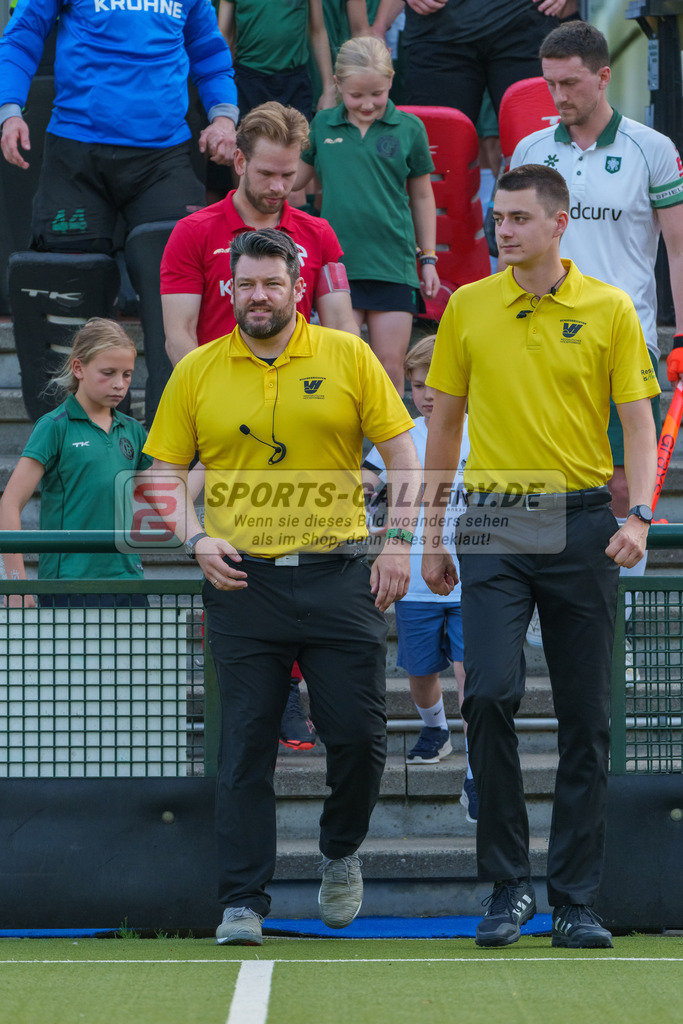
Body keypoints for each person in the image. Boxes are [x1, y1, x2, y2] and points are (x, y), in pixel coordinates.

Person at [144, 228, 420, 946]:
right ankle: (242, 900)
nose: (257, 296)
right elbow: (160, 476)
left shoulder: (348, 354)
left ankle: (338, 853)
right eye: (245, 284)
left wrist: (396, 542)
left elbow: (404, 457)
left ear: (297, 288)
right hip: (242, 583)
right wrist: (195, 537)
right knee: (243, 747)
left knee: (359, 738)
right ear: (226, 290)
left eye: (271, 283)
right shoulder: (198, 369)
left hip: (338, 575)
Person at [422, 164, 659, 949]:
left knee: (587, 717)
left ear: (559, 225)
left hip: (584, 519)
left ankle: (575, 900)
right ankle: (505, 888)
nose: (503, 229)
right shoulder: (466, 305)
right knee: (487, 695)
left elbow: (636, 425)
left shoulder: (609, 307)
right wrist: (427, 533)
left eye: (519, 217)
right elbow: (444, 430)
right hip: (491, 517)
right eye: (498, 216)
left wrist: (639, 516)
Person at [0, 0, 239, 425]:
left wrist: (223, 116)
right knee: (70, 286)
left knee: (178, 281)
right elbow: (22, 35)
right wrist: (10, 111)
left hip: (162, 156)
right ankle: (83, 437)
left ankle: (174, 431)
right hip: (76, 154)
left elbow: (207, 47)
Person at [510, 21, 683, 599]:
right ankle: (546, 602)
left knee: (621, 486)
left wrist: (682, 337)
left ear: (604, 76)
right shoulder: (530, 150)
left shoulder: (652, 149)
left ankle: (621, 620)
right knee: (539, 478)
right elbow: (510, 241)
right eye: (550, 83)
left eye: (571, 83)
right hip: (537, 337)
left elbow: (678, 248)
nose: (559, 97)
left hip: (622, 338)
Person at [362, 335, 478, 821]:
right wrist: (366, 499)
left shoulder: (483, 432)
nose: (427, 395)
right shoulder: (402, 434)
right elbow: (368, 481)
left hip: (472, 576)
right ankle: (436, 728)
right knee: (420, 673)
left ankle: (477, 768)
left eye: (436, 384)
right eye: (417, 385)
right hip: (413, 580)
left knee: (470, 674)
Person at [161, 101, 358, 365]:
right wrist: (205, 392)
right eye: (266, 173)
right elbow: (179, 335)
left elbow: (342, 326)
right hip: (222, 387)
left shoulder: (319, 233)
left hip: (299, 390)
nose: (278, 186)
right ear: (240, 161)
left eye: (288, 174)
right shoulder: (193, 232)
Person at [297, 35, 439, 394]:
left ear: (391, 81)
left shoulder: (409, 128)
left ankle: (384, 451)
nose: (367, 104)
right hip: (337, 263)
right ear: (337, 84)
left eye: (377, 93)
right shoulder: (323, 125)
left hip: (393, 261)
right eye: (356, 95)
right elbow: (291, 181)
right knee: (338, 362)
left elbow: (422, 196)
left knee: (389, 366)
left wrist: (429, 259)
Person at [0, 319, 151, 606]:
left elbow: (162, 500)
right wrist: (16, 585)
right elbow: (9, 504)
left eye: (128, 374)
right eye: (108, 373)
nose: (120, 384)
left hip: (129, 584)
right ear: (78, 368)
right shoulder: (54, 426)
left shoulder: (133, 429)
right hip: (67, 587)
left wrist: (208, 461)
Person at [372, 0, 577, 124]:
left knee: (539, 152)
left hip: (523, 27)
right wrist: (379, 29)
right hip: (437, 35)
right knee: (438, 159)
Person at [218, 0, 337, 121]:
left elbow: (318, 31)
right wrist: (221, 89)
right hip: (248, 81)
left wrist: (329, 90)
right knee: (249, 136)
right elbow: (224, 36)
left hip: (294, 83)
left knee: (298, 137)